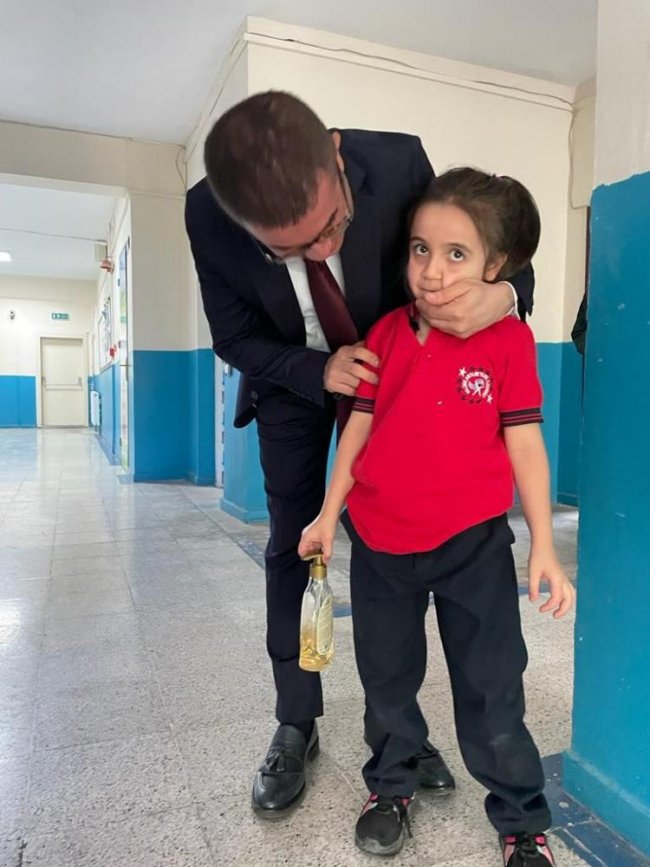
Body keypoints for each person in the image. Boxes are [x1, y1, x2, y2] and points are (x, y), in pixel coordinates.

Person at [185, 91, 535, 819]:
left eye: (333, 226)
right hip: (294, 381)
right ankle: (296, 721)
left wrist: (503, 295)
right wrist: (319, 370)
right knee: (295, 541)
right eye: (288, 250)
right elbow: (233, 336)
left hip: (399, 373)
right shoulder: (208, 213)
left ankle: (403, 731)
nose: (321, 252)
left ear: (338, 158)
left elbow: (493, 241)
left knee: (402, 549)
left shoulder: (398, 162)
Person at [299, 168, 575, 864]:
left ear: (496, 265)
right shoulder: (386, 334)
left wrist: (543, 544)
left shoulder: (508, 342)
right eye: (422, 249)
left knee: (492, 687)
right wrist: (328, 514)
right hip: (381, 544)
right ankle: (391, 786)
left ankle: (521, 819)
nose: (432, 270)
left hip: (473, 546)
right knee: (386, 680)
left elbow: (526, 443)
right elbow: (358, 431)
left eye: (457, 253)